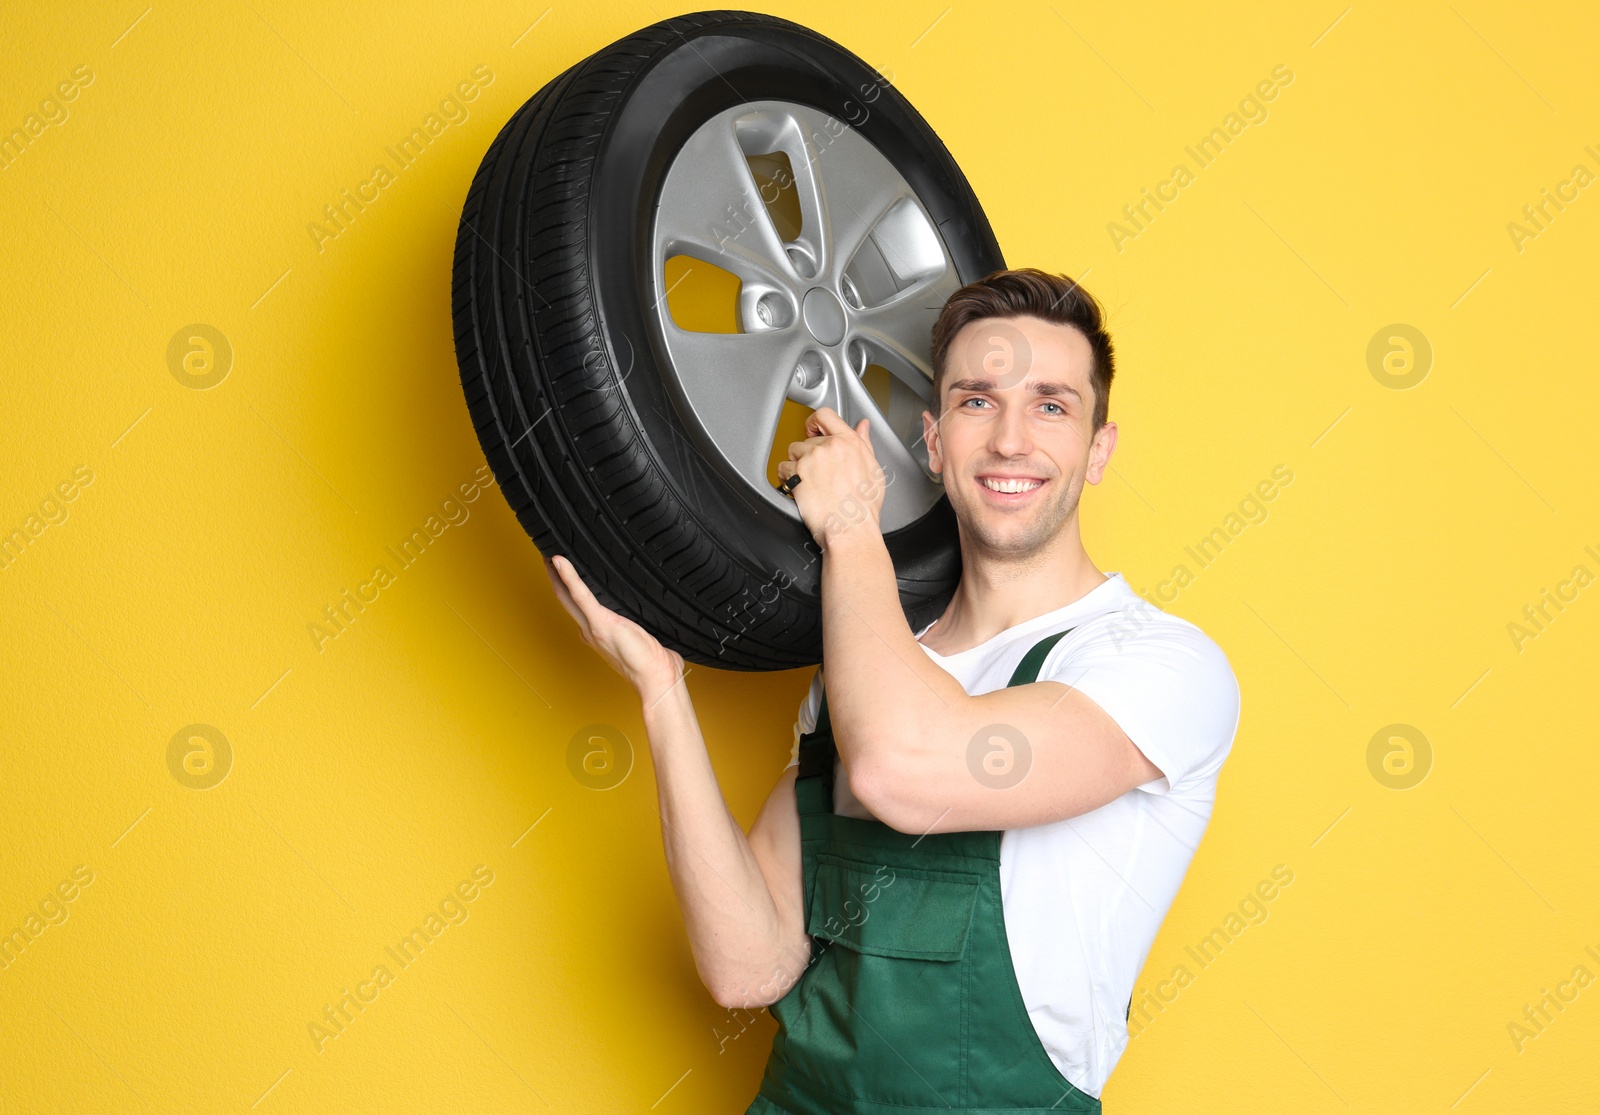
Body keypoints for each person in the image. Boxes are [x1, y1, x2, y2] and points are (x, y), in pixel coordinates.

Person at [545, 268, 1241, 1112]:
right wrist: (663, 695)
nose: (1012, 440)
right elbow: (748, 965)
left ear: (1098, 449)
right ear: (934, 441)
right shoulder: (863, 663)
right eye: (977, 401)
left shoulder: (1156, 666)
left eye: (1052, 405)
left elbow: (900, 770)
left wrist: (847, 526)